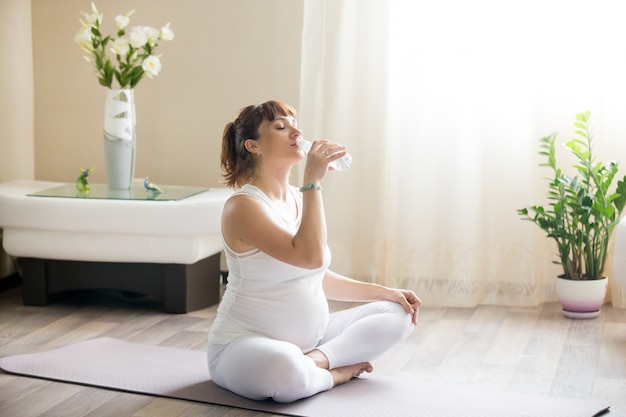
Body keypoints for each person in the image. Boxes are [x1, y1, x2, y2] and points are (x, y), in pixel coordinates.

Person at [207, 100, 421, 403]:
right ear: (253, 146)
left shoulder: (298, 197)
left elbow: (318, 276)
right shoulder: (243, 206)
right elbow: (311, 257)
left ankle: (317, 362)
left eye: (295, 124)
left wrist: (386, 292)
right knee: (283, 371)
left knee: (400, 312)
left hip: (314, 342)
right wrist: (313, 183)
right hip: (244, 346)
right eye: (281, 127)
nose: (296, 132)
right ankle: (335, 373)